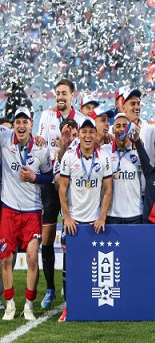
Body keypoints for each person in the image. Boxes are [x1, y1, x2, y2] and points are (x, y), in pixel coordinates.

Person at [58, 117, 113, 322]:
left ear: (95, 135)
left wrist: (102, 217)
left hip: (94, 223)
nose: (88, 136)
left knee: (94, 267)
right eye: (84, 132)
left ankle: (90, 305)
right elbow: (62, 190)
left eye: (91, 132)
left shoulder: (104, 158)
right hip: (73, 222)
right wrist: (68, 218)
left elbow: (108, 191)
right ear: (79, 134)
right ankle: (68, 307)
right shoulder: (69, 157)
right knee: (69, 267)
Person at [37, 79, 85, 310]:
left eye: (64, 93)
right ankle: (50, 288)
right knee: (46, 238)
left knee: (71, 233)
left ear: (72, 95)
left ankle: (70, 285)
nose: (60, 97)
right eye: (57, 93)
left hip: (71, 183)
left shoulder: (83, 120)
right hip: (49, 182)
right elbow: (39, 146)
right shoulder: (46, 117)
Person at [0, 108, 53, 321]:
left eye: (25, 122)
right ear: (13, 125)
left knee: (32, 258)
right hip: (8, 209)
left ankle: (29, 305)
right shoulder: (4, 139)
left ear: (32, 124)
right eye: (17, 122)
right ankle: (10, 304)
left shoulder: (41, 149)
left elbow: (49, 177)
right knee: (5, 259)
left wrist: (34, 178)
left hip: (32, 210)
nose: (21, 126)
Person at [101, 113, 143, 224]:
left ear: (129, 129)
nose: (121, 129)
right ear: (113, 130)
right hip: (112, 214)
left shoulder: (138, 150)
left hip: (135, 213)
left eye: (125, 126)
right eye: (118, 126)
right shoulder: (104, 151)